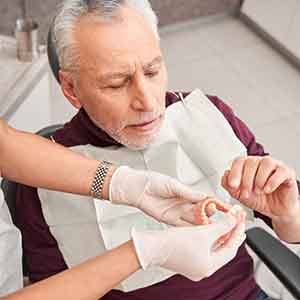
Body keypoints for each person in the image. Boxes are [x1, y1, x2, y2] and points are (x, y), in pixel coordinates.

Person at [16, 0, 300, 299]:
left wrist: (290, 214)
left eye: (152, 71)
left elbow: (292, 224)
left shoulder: (209, 117)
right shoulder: (43, 178)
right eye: (116, 84)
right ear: (72, 89)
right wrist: (145, 251)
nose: (149, 102)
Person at [0, 118, 245, 299]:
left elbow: (4, 144)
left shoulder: (208, 116)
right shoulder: (36, 200)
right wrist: (145, 252)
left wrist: (121, 183)